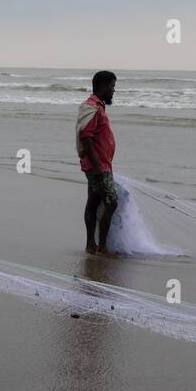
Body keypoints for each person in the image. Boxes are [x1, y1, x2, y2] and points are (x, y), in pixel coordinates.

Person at [76, 70, 118, 254]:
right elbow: (86, 137)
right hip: (98, 166)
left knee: (94, 200)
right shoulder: (92, 107)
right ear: (103, 86)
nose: (113, 90)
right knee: (111, 202)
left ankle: (92, 245)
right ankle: (101, 246)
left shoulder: (97, 107)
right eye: (112, 86)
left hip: (99, 164)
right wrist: (98, 168)